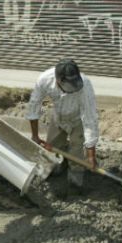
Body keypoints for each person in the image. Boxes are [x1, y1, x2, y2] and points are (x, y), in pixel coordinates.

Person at [26, 58, 99, 195]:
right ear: (58, 80)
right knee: (52, 149)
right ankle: (54, 172)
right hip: (58, 117)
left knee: (76, 153)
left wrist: (91, 156)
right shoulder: (44, 80)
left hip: (78, 119)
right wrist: (35, 136)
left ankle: (75, 184)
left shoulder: (85, 86)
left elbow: (90, 120)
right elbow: (33, 107)